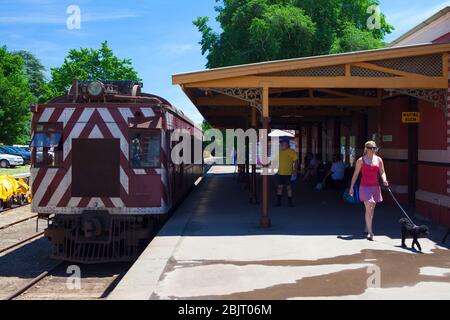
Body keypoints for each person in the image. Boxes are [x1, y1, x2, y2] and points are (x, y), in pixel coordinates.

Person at [350, 141, 389, 241]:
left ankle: (367, 226)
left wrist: (384, 180)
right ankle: (370, 232)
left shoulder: (379, 159)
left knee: (372, 208)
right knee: (368, 207)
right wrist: (351, 187)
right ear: (366, 148)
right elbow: (355, 174)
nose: (373, 149)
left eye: (374, 148)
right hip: (364, 187)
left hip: (375, 187)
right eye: (371, 148)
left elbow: (382, 172)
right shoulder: (361, 160)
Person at [275, 138, 299, 207]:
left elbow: (296, 161)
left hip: (289, 173)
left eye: (284, 143)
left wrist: (295, 170)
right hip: (280, 173)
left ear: (288, 144)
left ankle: (290, 202)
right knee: (280, 187)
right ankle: (278, 202)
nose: (283, 144)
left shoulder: (292, 151)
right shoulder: (279, 151)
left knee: (289, 188)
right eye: (282, 143)